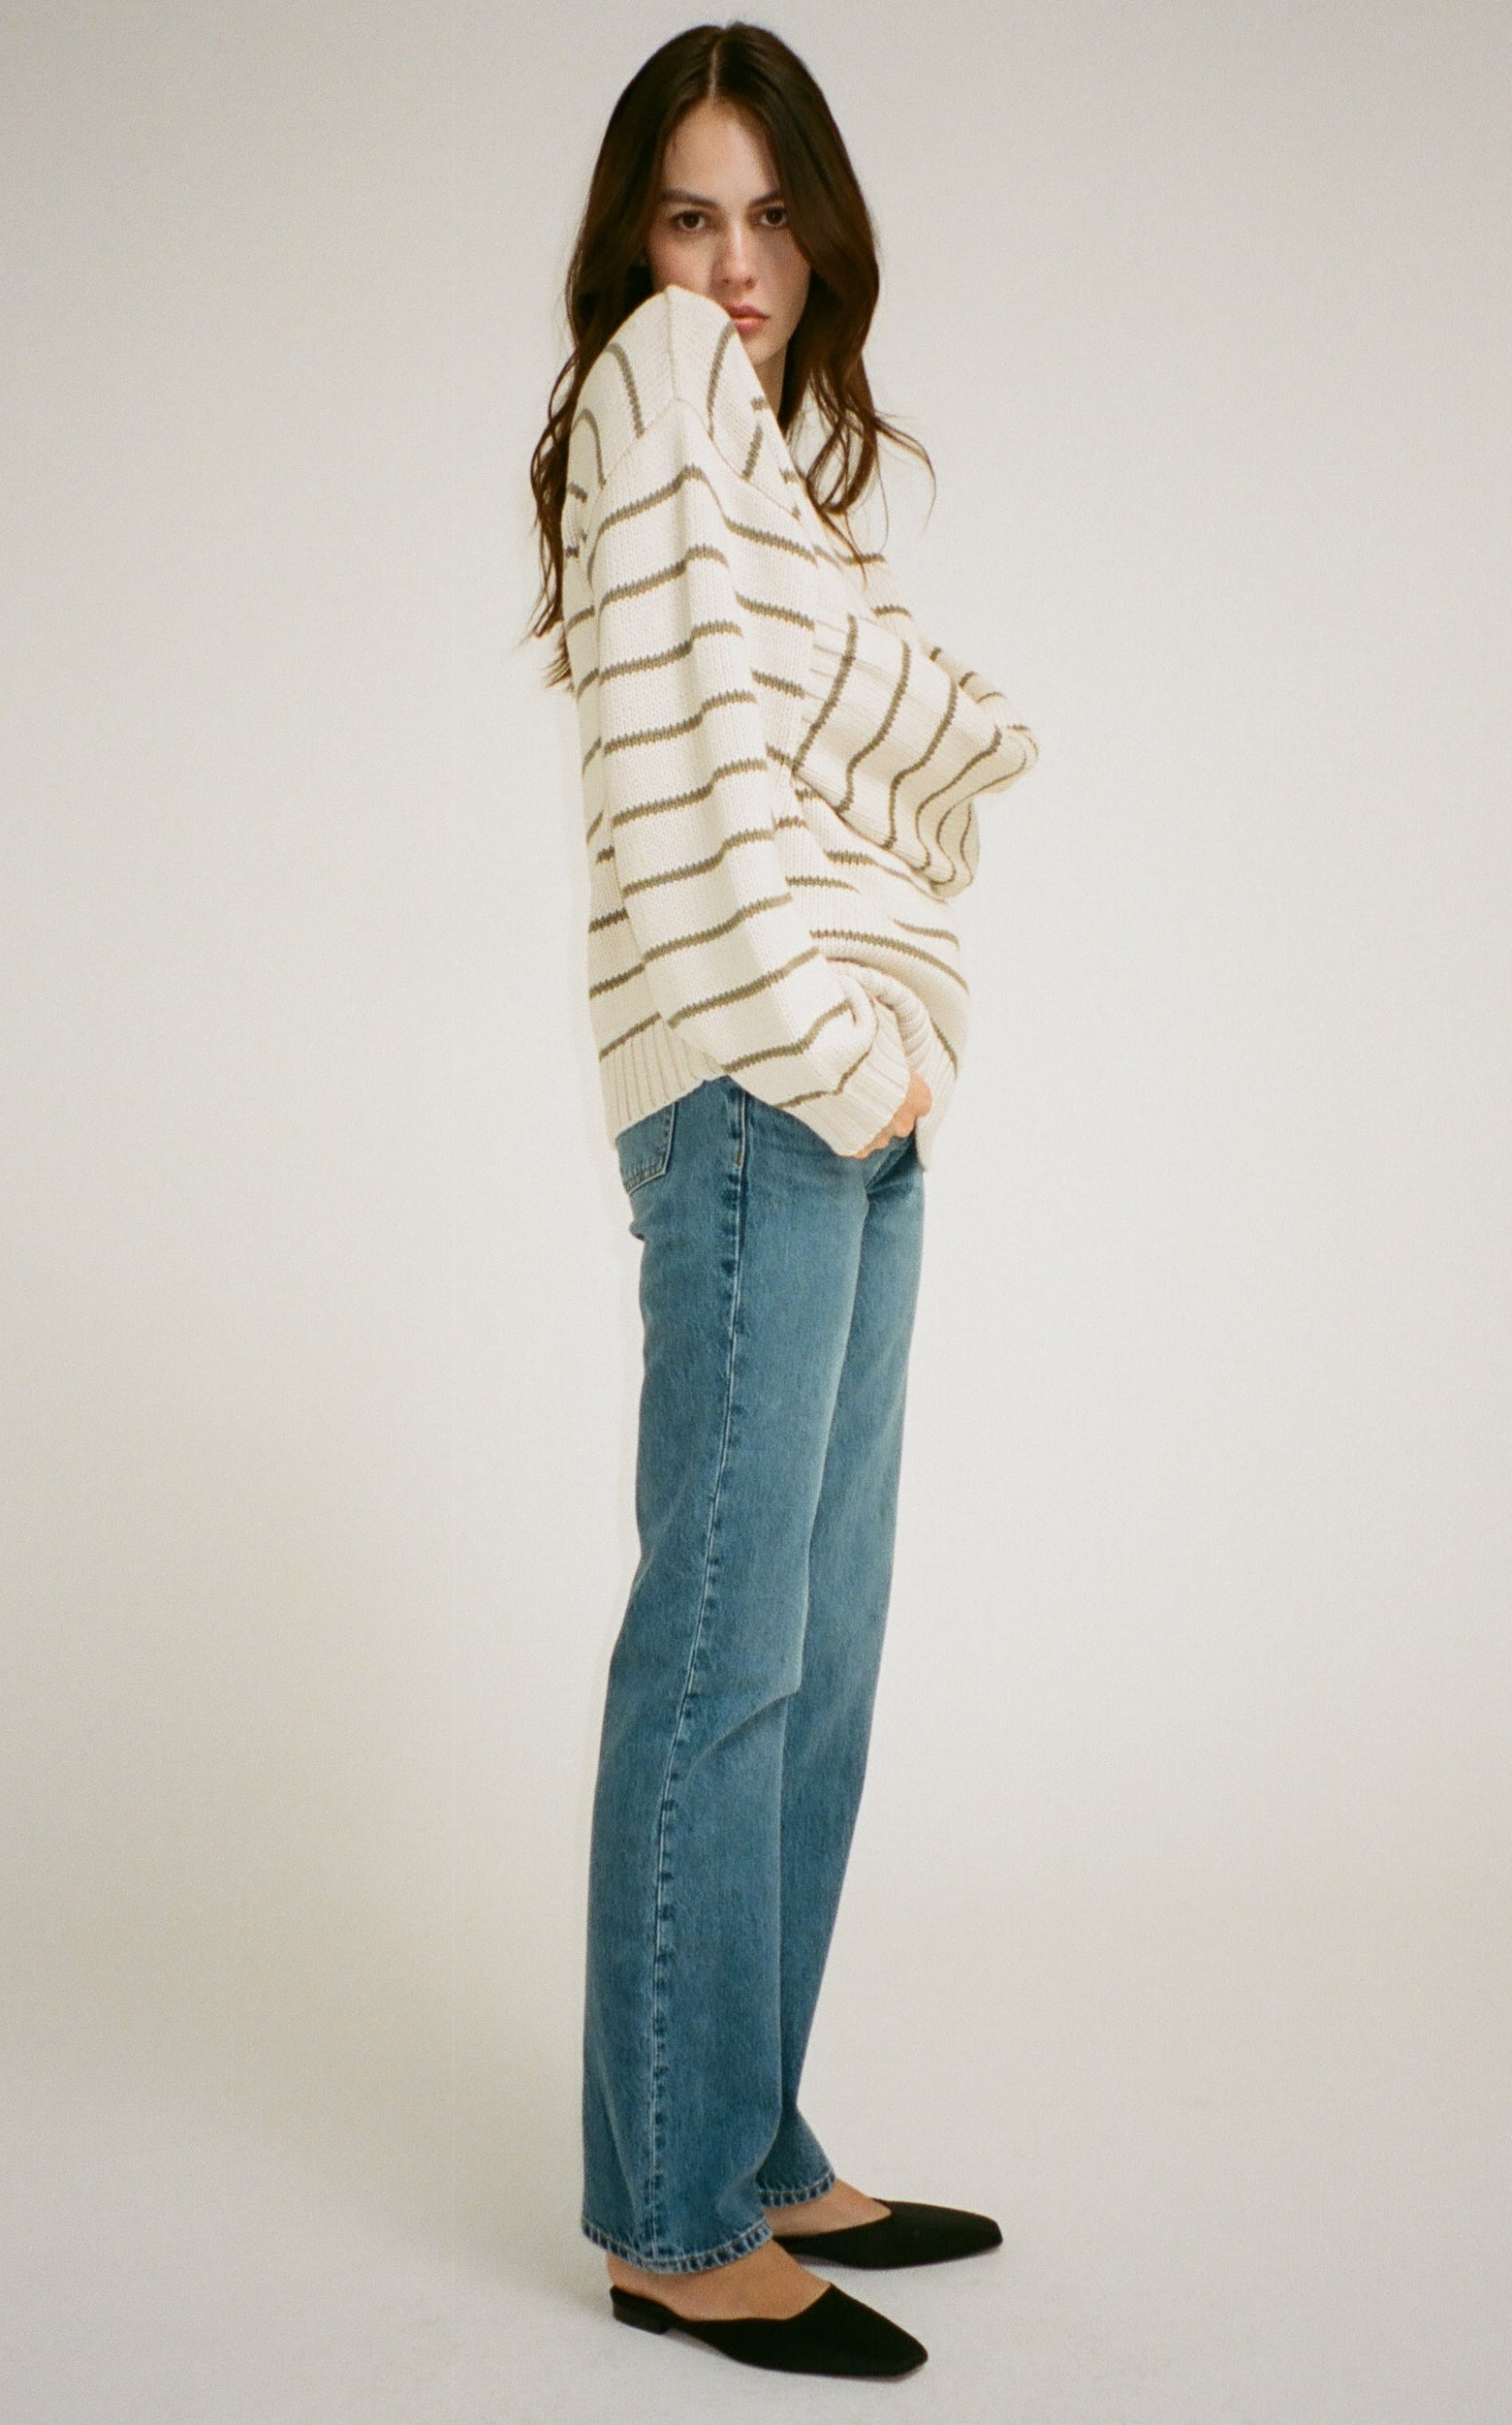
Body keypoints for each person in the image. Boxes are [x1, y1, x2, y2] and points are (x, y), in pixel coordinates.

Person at [527, 20, 1040, 2381]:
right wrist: (840, 1055)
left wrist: (884, 1072)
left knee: (810, 1658)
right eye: (686, 215)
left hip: (835, 1099)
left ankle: (743, 2136)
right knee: (727, 1657)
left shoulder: (761, 463)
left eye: (765, 217)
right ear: (635, 244)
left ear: (818, 233)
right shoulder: (653, 393)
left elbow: (850, 758)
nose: (731, 265)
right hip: (759, 1091)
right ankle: (668, 2219)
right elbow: (692, 782)